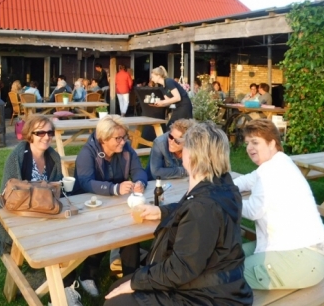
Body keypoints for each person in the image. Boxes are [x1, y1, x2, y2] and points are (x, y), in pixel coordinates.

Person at [104, 122, 253, 306]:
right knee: (119, 287)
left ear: (192, 155)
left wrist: (137, 282)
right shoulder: (222, 185)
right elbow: (191, 208)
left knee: (117, 301)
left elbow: (181, 268)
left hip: (208, 296)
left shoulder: (203, 206)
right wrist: (162, 210)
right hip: (219, 283)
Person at [234, 119, 324, 290]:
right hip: (294, 248)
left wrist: (224, 198)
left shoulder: (274, 170)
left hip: (302, 256)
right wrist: (221, 187)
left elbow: (253, 210)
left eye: (255, 142)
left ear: (272, 143)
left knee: (227, 275)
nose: (249, 148)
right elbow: (247, 180)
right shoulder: (277, 162)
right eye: (248, 143)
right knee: (229, 257)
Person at [74, 115, 148, 297]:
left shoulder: (126, 149)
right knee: (104, 230)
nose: (123, 142)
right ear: (103, 139)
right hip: (89, 205)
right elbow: (85, 182)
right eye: (118, 138)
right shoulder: (87, 152)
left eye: (124, 137)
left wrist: (140, 182)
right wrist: (114, 188)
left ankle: (131, 278)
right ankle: (87, 273)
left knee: (131, 231)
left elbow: (139, 170)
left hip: (116, 202)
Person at [0, 115, 63, 255]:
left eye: (49, 132)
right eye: (40, 132)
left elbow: (58, 186)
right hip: (20, 210)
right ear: (30, 134)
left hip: (46, 209)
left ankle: (66, 271)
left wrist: (58, 185)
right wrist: (44, 189)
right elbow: (9, 193)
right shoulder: (17, 157)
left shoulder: (54, 157)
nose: (46, 137)